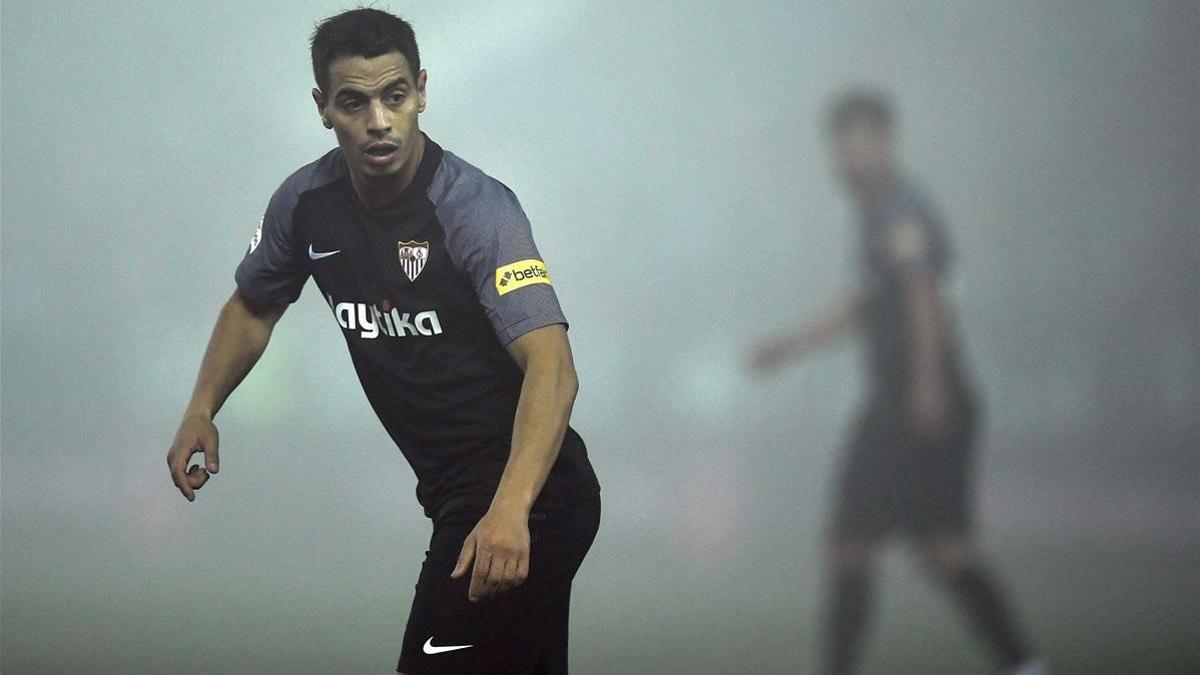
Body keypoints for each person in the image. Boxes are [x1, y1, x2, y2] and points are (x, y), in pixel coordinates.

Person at [164, 9, 601, 673]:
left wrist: (511, 509)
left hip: (527, 492)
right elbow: (253, 306)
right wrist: (202, 407)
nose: (377, 122)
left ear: (421, 90)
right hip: (464, 495)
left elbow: (553, 368)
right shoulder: (306, 204)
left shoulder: (477, 210)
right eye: (353, 102)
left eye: (394, 97)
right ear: (322, 108)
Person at [749, 89, 1044, 675]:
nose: (850, 158)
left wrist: (927, 382)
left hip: (915, 399)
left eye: (862, 144)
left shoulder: (898, 208)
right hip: (901, 398)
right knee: (930, 549)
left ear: (887, 145)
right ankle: (1025, 665)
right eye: (842, 146)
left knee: (882, 546)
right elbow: (865, 305)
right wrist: (789, 346)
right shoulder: (876, 212)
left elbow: (921, 293)